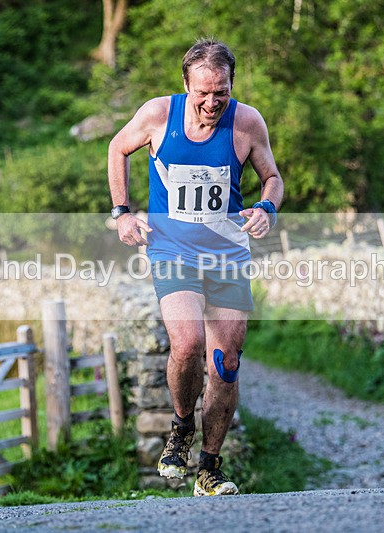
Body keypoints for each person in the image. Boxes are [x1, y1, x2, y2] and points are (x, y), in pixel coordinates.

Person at [107, 38, 283, 496]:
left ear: (231, 85)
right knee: (187, 343)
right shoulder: (158, 115)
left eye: (220, 92)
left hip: (227, 255)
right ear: (186, 84)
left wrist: (267, 207)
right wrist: (122, 212)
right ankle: (182, 426)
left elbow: (272, 177)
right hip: (172, 250)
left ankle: (209, 467)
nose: (211, 102)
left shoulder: (247, 122)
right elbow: (116, 148)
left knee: (225, 363)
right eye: (203, 92)